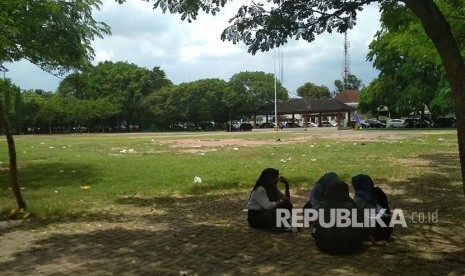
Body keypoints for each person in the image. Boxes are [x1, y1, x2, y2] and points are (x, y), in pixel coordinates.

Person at [311, 180, 366, 254]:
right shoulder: (352, 205)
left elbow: (316, 225)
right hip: (351, 247)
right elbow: (362, 226)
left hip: (326, 246)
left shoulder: (323, 205)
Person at [247, 168, 296, 233]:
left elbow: (286, 200)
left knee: (288, 205)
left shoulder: (273, 188)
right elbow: (268, 206)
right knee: (275, 212)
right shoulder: (260, 190)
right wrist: (278, 203)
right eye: (275, 178)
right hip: (256, 217)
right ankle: (280, 225)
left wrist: (286, 186)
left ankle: (283, 223)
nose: (277, 180)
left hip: (266, 212)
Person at [351, 174, 393, 242]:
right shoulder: (377, 192)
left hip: (376, 232)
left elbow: (352, 212)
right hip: (388, 229)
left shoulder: (361, 196)